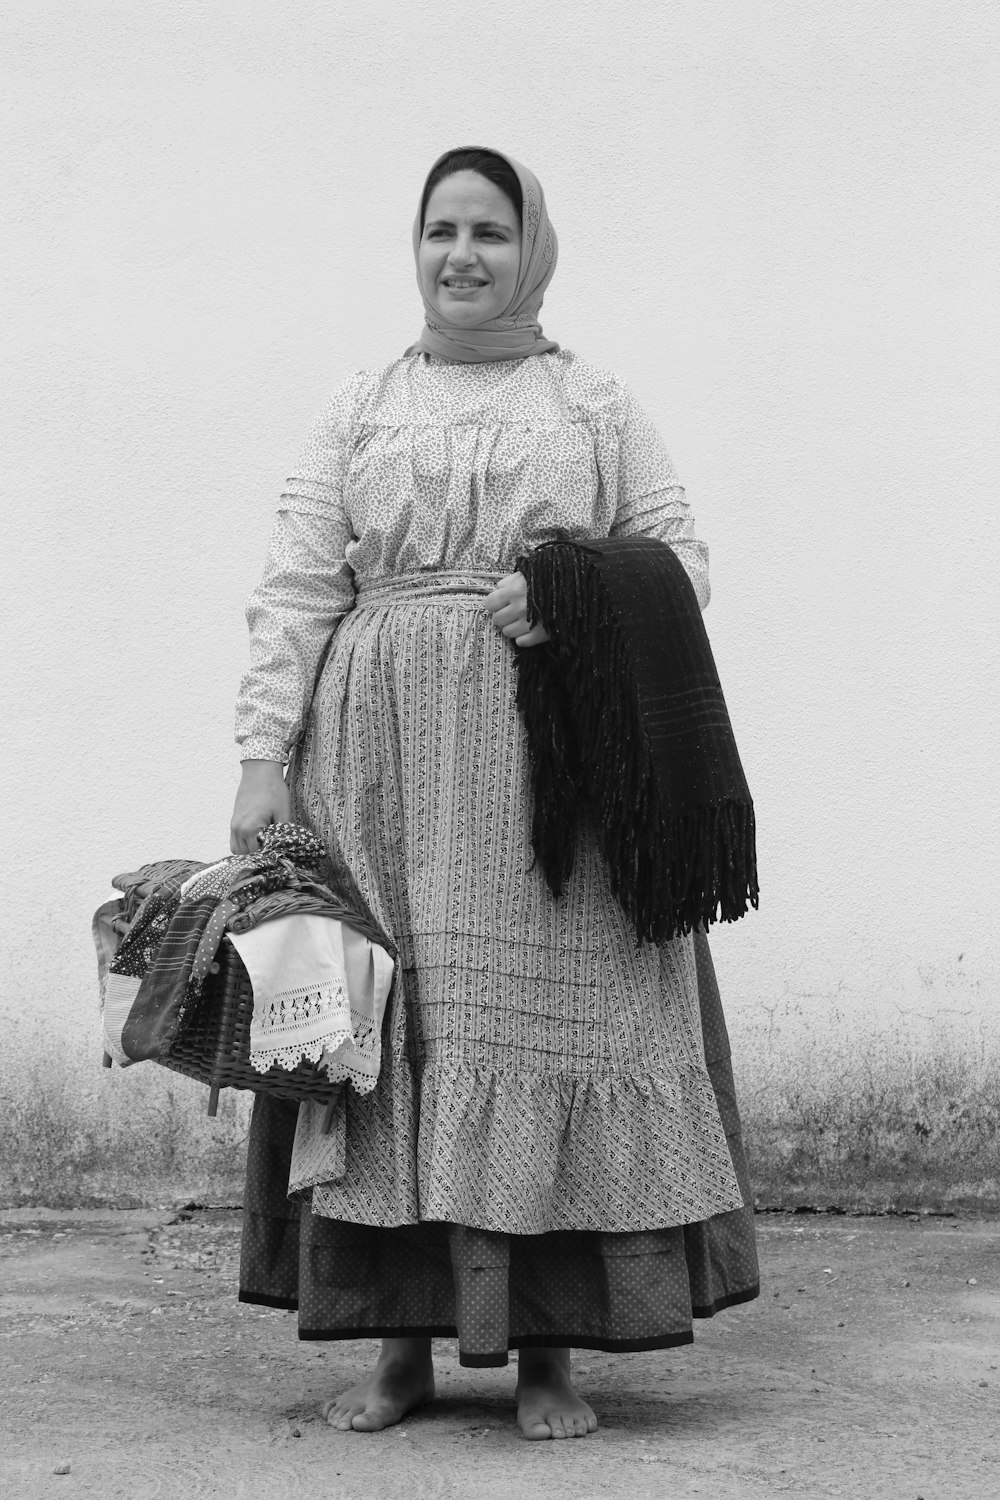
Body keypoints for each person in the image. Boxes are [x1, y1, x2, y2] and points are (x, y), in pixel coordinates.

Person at [230, 146, 759, 1441]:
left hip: (556, 768)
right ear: (414, 248)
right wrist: (259, 760)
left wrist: (569, 591)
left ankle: (547, 1357)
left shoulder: (593, 404)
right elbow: (298, 583)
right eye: (440, 231)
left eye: (489, 230)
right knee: (382, 1040)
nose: (462, 253)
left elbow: (681, 557)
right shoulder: (359, 404)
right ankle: (397, 1348)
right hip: (378, 765)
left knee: (548, 1031)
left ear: (535, 248)